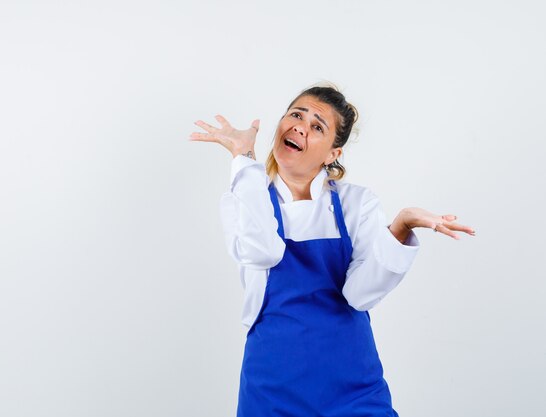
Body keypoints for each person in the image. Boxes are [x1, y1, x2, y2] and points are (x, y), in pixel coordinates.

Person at [189, 83, 475, 417]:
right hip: (271, 387)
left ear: (332, 154)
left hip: (352, 387)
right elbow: (261, 251)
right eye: (296, 115)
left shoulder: (357, 203)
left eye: (317, 126)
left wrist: (400, 227)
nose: (300, 126)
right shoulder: (247, 195)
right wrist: (244, 160)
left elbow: (360, 295)